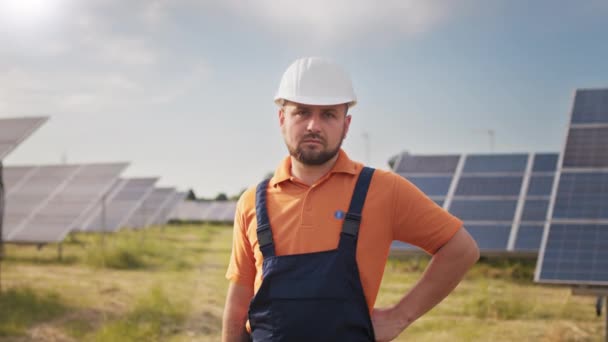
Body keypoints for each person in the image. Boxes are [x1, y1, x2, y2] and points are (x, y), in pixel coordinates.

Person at [222, 57, 480, 342]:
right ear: (282, 118)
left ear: (346, 125)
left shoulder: (383, 189)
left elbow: (461, 249)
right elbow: (237, 310)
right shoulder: (251, 202)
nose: (313, 126)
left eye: (328, 115)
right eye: (302, 112)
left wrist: (398, 317)